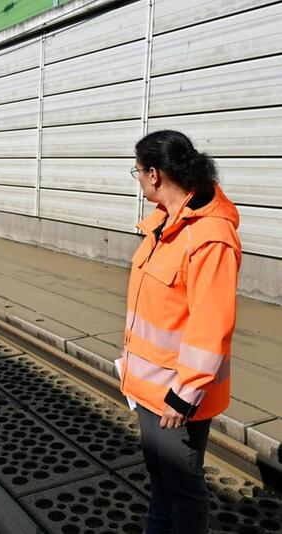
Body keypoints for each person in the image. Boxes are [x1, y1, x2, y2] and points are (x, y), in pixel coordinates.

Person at [117, 130, 241, 533]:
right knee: (160, 482)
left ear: (154, 175)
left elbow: (211, 324)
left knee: (184, 488)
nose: (136, 180)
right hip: (146, 386)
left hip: (177, 398)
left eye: (136, 172)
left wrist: (184, 396)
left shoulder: (210, 237)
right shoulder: (161, 226)